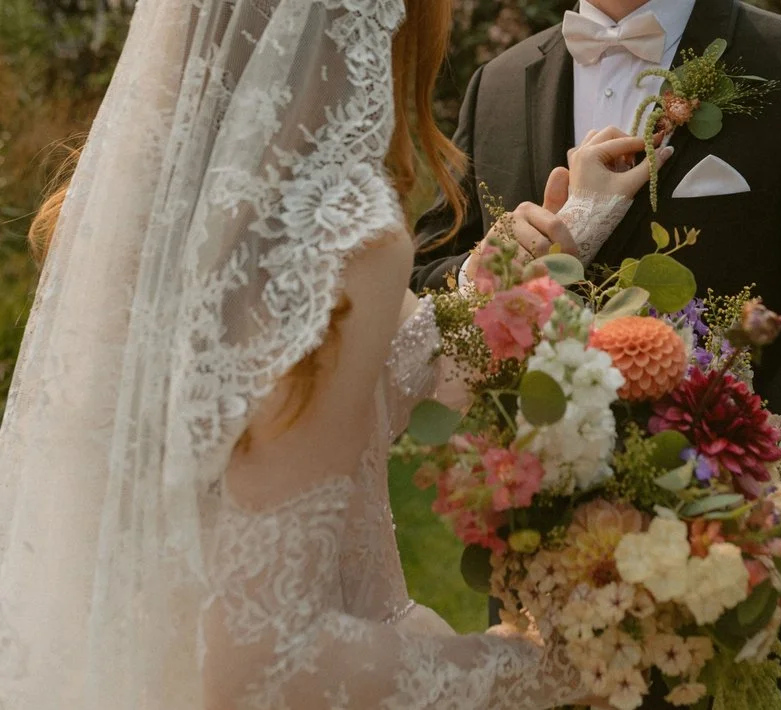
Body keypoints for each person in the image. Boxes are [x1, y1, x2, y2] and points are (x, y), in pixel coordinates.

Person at [0, 0, 659, 707]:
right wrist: (541, 673)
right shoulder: (345, 244)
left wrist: (562, 234)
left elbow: (376, 385)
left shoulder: (127, 219)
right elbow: (270, 662)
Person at [413, 0, 781, 707]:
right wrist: (487, 268)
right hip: (538, 597)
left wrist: (695, 517)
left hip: (731, 595)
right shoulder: (499, 82)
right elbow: (427, 274)